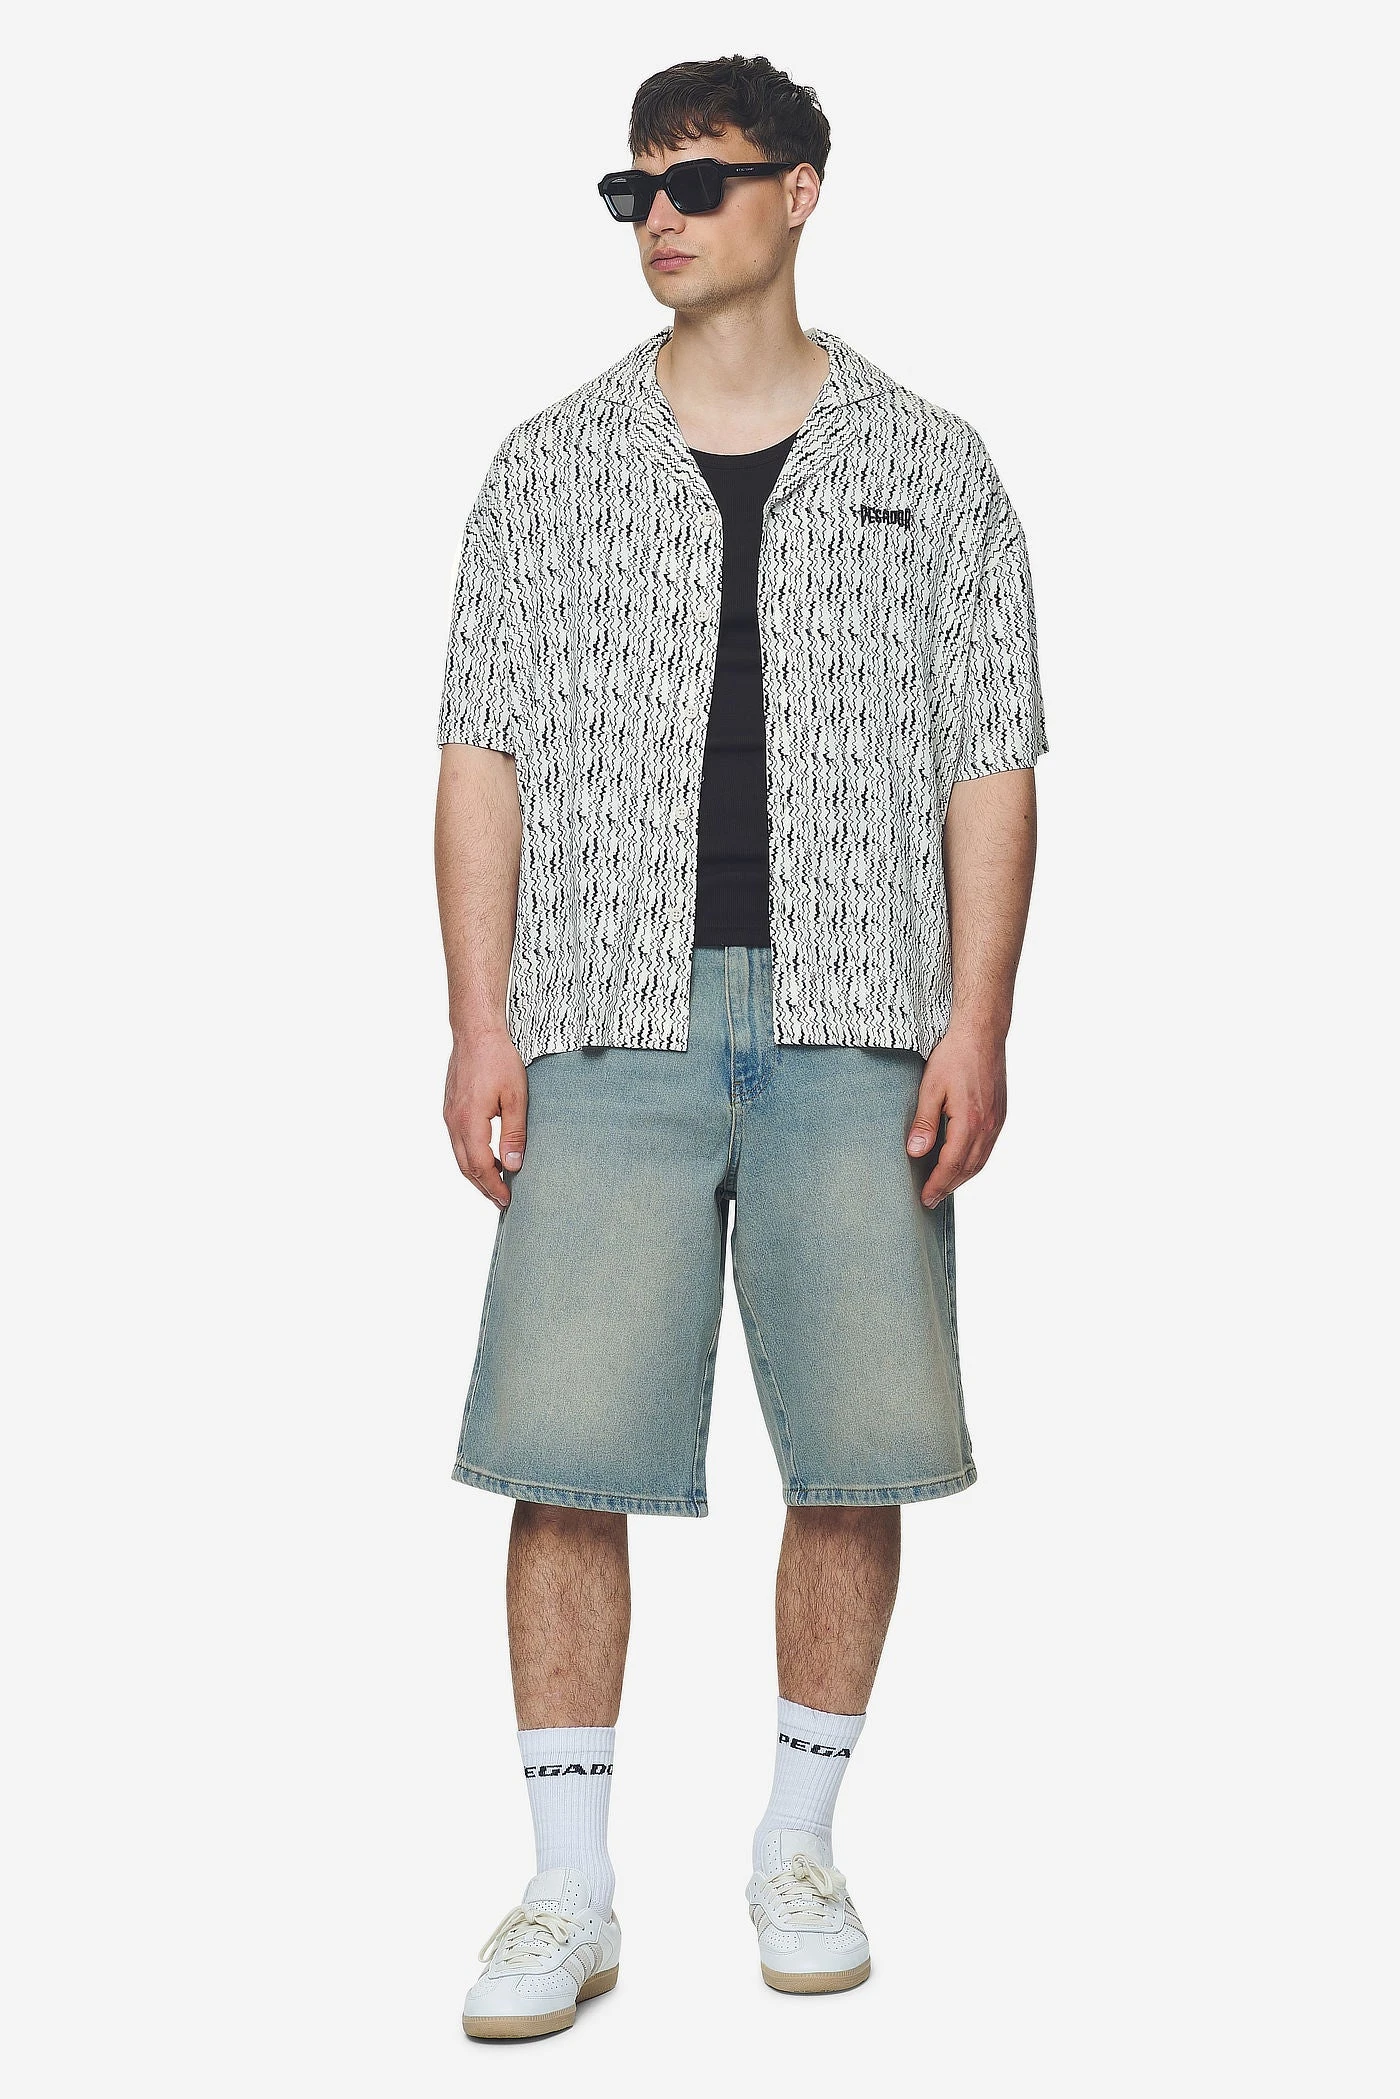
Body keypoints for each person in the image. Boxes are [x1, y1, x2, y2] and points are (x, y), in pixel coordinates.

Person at [434, 52, 1047, 2041]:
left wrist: (976, 1018)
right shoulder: (546, 465)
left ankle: (799, 1839)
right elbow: (478, 755)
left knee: (855, 1444)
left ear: (800, 191)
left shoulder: (935, 462)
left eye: (696, 181)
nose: (660, 219)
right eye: (635, 190)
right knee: (564, 1449)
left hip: (858, 1016)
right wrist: (478, 1018)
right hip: (602, 1009)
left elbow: (989, 762)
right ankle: (566, 1886)